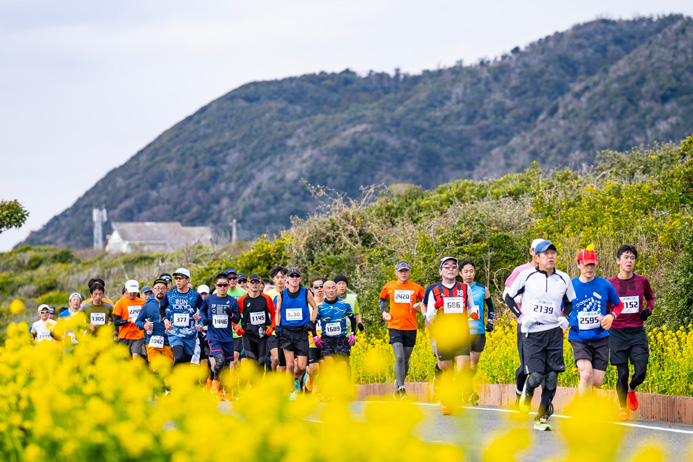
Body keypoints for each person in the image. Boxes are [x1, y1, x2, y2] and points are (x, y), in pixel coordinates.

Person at [505, 240, 576, 431]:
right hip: (532, 332)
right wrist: (521, 316)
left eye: (553, 253)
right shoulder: (526, 276)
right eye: (545, 254)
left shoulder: (563, 278)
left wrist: (565, 317)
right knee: (536, 376)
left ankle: (541, 417)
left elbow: (570, 302)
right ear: (536, 257)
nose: (550, 257)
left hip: (553, 332)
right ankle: (526, 393)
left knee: (552, 377)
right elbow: (508, 297)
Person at [425, 257, 478, 414]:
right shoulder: (434, 290)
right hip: (444, 337)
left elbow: (471, 307)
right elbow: (428, 318)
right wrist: (435, 307)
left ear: (457, 271)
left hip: (461, 335)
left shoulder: (463, 288)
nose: (450, 268)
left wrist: (474, 313)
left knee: (462, 370)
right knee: (447, 371)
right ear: (440, 271)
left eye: (454, 266)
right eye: (446, 266)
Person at [608, 244, 655, 421]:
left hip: (637, 332)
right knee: (622, 373)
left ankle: (631, 388)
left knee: (641, 371)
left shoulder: (642, 281)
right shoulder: (610, 284)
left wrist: (648, 311)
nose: (629, 261)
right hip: (617, 333)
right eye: (626, 258)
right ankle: (622, 408)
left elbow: (650, 298)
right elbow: (605, 308)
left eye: (632, 258)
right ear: (618, 261)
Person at [569, 245, 623, 396]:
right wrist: (562, 321)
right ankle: (584, 411)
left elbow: (619, 305)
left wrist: (612, 316)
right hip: (578, 336)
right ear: (579, 265)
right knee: (586, 374)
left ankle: (586, 392)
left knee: (597, 381)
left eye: (592, 264)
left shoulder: (605, 284)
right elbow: (560, 307)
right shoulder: (570, 286)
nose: (589, 268)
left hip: (600, 337)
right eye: (586, 265)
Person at [503, 238, 543, 406]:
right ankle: (519, 391)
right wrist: (520, 313)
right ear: (531, 251)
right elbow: (507, 295)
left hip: (545, 326)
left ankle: (539, 401)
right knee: (526, 367)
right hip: (526, 325)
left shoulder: (551, 273)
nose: (540, 255)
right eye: (537, 251)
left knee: (543, 367)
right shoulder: (521, 270)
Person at [380, 260, 426, 400]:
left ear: (410, 272)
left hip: (411, 327)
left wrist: (420, 304)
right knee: (399, 357)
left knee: (405, 360)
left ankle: (399, 381)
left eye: (406, 270)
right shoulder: (390, 286)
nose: (403, 273)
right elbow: (382, 299)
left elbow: (427, 301)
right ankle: (401, 388)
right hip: (395, 327)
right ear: (396, 272)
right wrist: (384, 312)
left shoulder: (416, 287)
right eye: (401, 271)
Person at [275, 268, 319, 398]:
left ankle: (293, 380)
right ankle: (290, 391)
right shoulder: (281, 295)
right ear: (286, 279)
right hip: (287, 332)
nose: (294, 278)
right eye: (291, 276)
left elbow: (315, 307)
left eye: (296, 276)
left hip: (301, 332)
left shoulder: (305, 293)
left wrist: (312, 321)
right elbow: (277, 311)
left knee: (300, 366)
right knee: (289, 364)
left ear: (300, 279)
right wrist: (277, 326)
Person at [200, 273, 241, 399]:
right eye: (220, 285)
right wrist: (204, 319)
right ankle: (215, 385)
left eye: (225, 285)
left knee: (228, 365)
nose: (222, 287)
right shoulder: (209, 299)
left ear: (228, 286)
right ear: (215, 286)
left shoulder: (233, 301)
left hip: (228, 338)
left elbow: (237, 318)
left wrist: (231, 315)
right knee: (220, 361)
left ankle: (226, 391)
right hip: (214, 337)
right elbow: (202, 310)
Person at [459, 259, 495, 406]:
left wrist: (490, 321)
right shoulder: (456, 289)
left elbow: (491, 308)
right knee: (464, 364)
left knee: (473, 365)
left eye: (471, 271)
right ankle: (466, 392)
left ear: (475, 272)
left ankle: (466, 390)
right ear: (460, 273)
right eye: (465, 272)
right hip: (461, 332)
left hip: (478, 331)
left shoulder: (482, 289)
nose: (469, 274)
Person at [161, 268, 203, 365]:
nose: (178, 280)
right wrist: (165, 320)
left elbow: (204, 310)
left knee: (185, 364)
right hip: (175, 333)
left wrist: (200, 321)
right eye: (176, 278)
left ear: (187, 280)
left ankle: (176, 379)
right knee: (179, 357)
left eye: (180, 278)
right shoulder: (170, 294)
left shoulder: (195, 295)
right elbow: (161, 308)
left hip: (190, 335)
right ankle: (168, 377)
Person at [237, 273, 276, 367]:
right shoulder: (241, 300)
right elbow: (235, 317)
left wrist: (272, 327)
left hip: (262, 334)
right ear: (248, 284)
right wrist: (237, 327)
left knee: (261, 363)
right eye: (252, 282)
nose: (254, 284)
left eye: (257, 282)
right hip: (248, 335)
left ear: (260, 284)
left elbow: (274, 315)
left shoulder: (266, 299)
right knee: (252, 362)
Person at [312, 280, 356, 362]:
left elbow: (353, 318)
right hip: (326, 339)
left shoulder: (344, 304)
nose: (331, 290)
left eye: (333, 288)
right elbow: (312, 323)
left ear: (336, 290)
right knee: (329, 364)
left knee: (342, 365)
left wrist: (353, 333)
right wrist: (315, 336)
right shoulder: (320, 307)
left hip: (341, 338)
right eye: (328, 288)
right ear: (324, 291)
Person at [136, 278, 175, 368]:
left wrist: (171, 327)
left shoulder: (172, 305)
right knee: (155, 369)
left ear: (166, 290)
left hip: (168, 342)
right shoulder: (147, 306)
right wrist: (144, 326)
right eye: (157, 288)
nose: (160, 291)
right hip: (152, 342)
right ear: (153, 290)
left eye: (162, 288)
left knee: (168, 369)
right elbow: (138, 321)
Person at [113, 280, 146, 358]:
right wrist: (129, 320)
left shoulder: (142, 303)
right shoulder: (120, 303)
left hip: (138, 336)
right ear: (126, 290)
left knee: (136, 357)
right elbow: (116, 322)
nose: (133, 294)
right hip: (124, 336)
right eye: (131, 292)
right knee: (125, 360)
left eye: (135, 292)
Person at [306, 277, 326, 392]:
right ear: (312, 290)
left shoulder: (329, 304)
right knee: (314, 368)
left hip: (326, 340)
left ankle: (320, 391)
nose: (319, 289)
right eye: (316, 287)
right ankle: (310, 378)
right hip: (311, 341)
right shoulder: (308, 305)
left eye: (321, 286)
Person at [224, 269, 248, 368]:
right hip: (222, 331)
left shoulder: (243, 292)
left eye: (234, 278)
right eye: (229, 278)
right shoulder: (218, 291)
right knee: (222, 362)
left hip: (237, 331)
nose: (232, 280)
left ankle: (232, 383)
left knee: (234, 360)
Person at [266, 266, 288, 371]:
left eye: (282, 277)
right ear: (273, 279)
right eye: (277, 277)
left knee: (287, 362)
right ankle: (273, 377)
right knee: (276, 358)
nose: (280, 280)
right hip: (273, 332)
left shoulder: (291, 293)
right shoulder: (268, 295)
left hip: (288, 331)